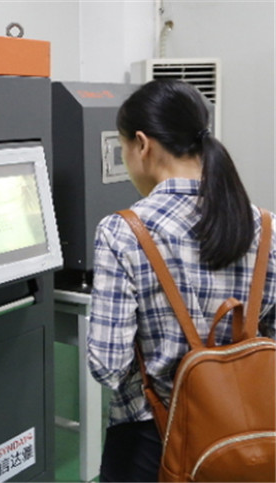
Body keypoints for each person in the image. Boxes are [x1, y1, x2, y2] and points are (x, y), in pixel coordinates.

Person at [87, 79, 276, 482]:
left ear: (142, 144)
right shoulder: (266, 228)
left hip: (150, 439)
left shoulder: (122, 232)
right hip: (246, 436)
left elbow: (108, 366)